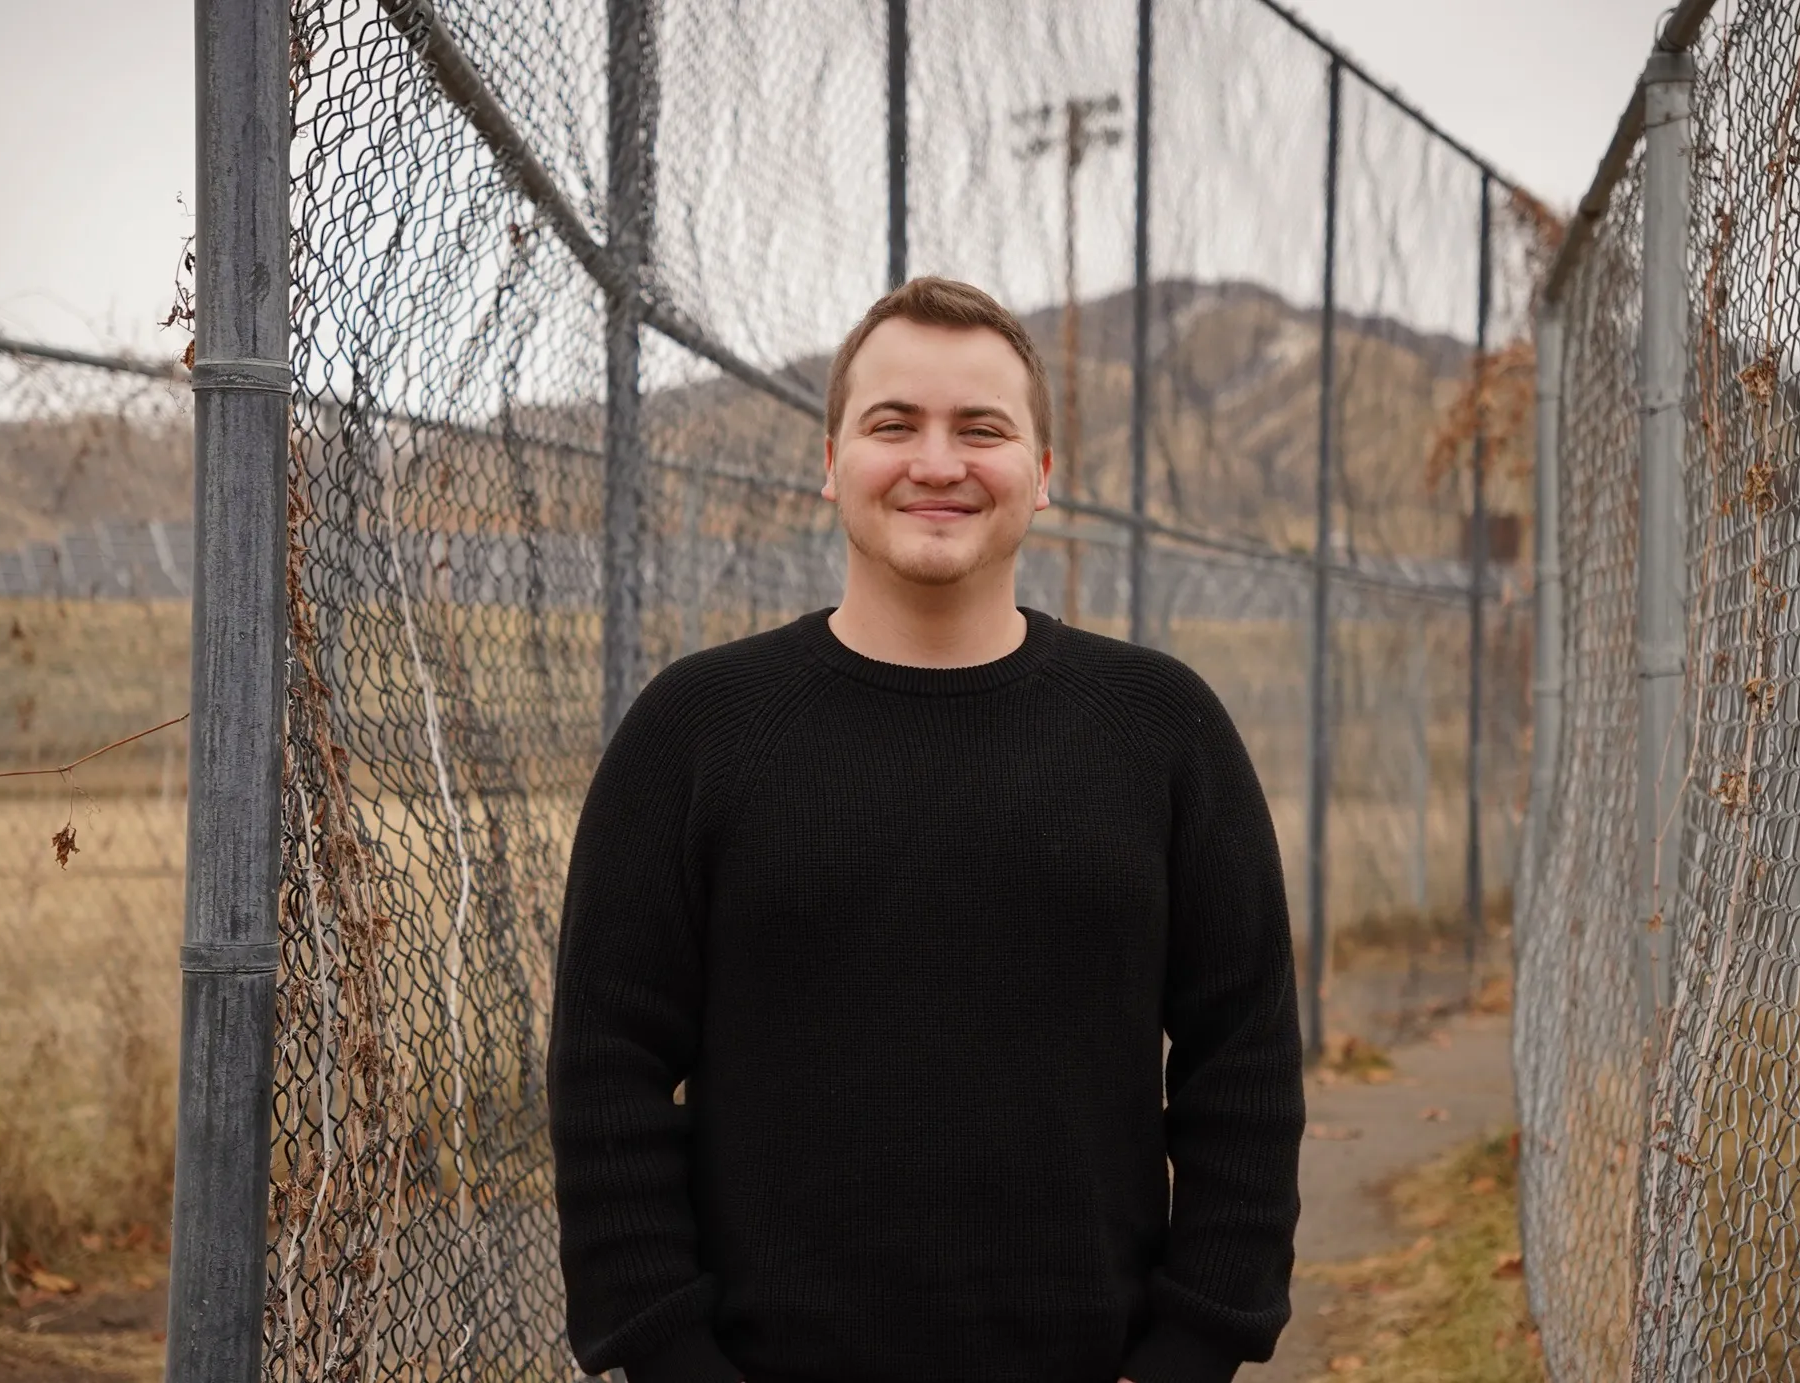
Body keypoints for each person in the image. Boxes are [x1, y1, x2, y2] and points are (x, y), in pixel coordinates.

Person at [548, 276, 1303, 1383]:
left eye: (981, 429)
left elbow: (1244, 1061)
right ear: (830, 463)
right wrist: (669, 1353)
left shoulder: (1160, 728)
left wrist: (1197, 1344)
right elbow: (603, 1068)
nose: (937, 463)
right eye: (892, 424)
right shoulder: (695, 730)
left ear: (1042, 476)